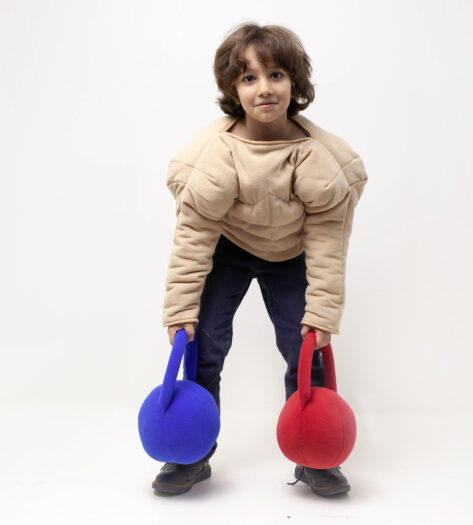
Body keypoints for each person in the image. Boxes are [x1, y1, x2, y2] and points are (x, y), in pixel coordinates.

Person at [153, 22, 368, 497]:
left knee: (304, 346)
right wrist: (181, 310)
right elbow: (194, 235)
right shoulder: (217, 155)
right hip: (228, 247)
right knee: (203, 345)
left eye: (275, 75)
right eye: (248, 78)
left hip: (290, 253)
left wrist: (322, 312)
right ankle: (191, 452)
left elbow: (328, 241)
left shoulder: (318, 159)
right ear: (233, 89)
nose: (264, 88)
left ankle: (314, 454)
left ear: (295, 82)